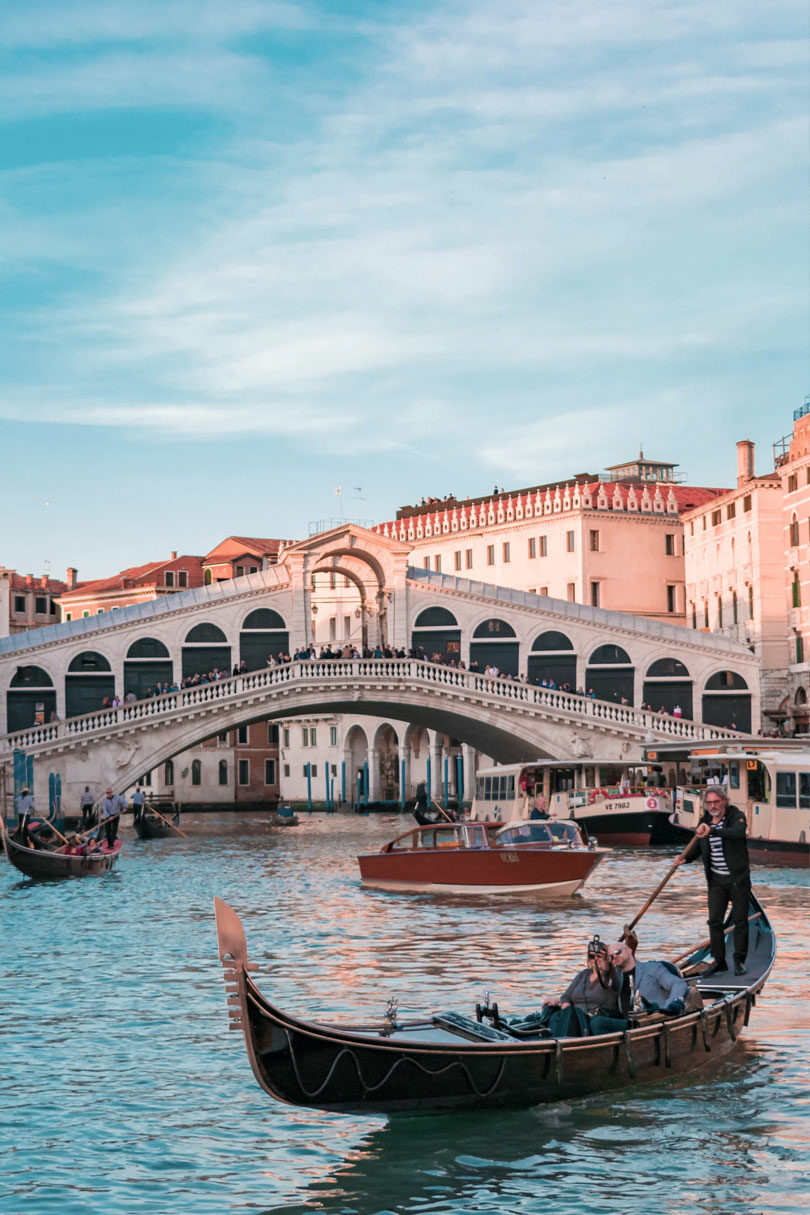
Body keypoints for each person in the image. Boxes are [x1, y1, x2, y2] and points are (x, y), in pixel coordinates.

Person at [673, 787, 750, 976]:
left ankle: (739, 960)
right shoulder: (704, 822)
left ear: (724, 801)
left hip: (737, 880)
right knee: (714, 921)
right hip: (716, 881)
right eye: (709, 803)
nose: (713, 806)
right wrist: (685, 858)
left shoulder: (736, 816)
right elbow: (699, 845)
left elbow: (737, 833)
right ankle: (719, 960)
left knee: (740, 921)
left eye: (716, 802)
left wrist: (713, 831)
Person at [602, 938, 692, 1032]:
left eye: (617, 952)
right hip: (627, 1025)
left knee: (598, 1023)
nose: (615, 957)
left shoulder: (652, 968)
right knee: (594, 1022)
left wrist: (667, 1006)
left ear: (629, 950)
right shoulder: (615, 977)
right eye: (611, 957)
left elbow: (678, 984)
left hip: (653, 1025)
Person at [539, 937, 621, 1036]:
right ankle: (537, 1032)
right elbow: (565, 997)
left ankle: (560, 1039)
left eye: (599, 956)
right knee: (549, 1009)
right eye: (592, 956)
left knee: (570, 1012)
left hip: (593, 1019)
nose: (595, 959)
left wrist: (607, 964)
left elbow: (611, 973)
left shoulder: (612, 976)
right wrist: (563, 1004)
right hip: (573, 1018)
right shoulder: (583, 975)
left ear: (607, 958)